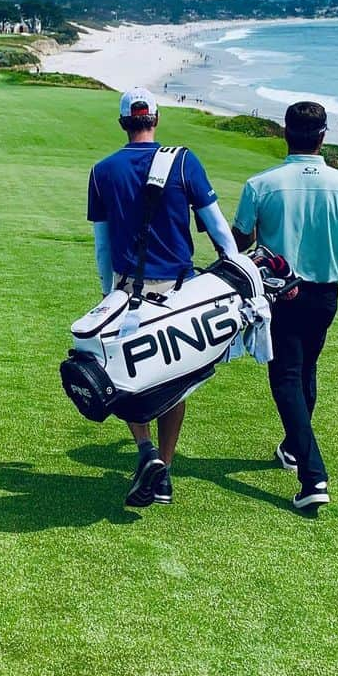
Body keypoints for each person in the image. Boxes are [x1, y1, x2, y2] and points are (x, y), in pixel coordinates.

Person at [88, 87, 237, 508]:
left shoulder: (102, 171)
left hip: (125, 290)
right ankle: (165, 473)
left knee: (128, 375)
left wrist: (107, 293)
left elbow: (102, 244)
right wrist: (236, 266)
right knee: (174, 381)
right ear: (155, 119)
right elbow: (217, 228)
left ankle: (144, 450)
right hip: (179, 289)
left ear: (122, 123)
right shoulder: (183, 161)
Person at [232, 101, 338, 510]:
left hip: (280, 293)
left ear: (284, 133)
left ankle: (314, 477)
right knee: (306, 369)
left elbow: (238, 243)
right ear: (324, 135)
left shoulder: (262, 184)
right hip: (325, 294)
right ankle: (293, 449)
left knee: (287, 379)